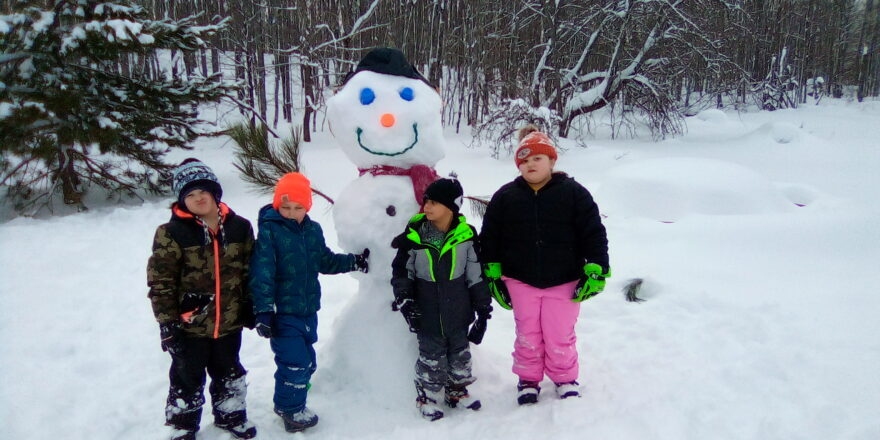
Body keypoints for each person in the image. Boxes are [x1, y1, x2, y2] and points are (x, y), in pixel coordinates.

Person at [479, 125, 610, 405]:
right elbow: (490, 236)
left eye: (537, 158)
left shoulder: (574, 193)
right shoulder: (505, 196)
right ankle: (528, 379)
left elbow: (593, 232)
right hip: (519, 278)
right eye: (523, 161)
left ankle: (564, 377)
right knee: (527, 332)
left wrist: (597, 267)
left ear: (552, 160)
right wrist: (491, 272)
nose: (530, 164)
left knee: (560, 332)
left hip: (564, 279)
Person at [248, 172, 370, 433]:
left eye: (298, 207)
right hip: (282, 313)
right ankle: (290, 410)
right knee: (295, 362)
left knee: (308, 362)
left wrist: (353, 261)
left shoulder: (312, 230)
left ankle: (295, 393)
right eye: (286, 207)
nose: (291, 213)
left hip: (308, 311)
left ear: (307, 207)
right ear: (277, 205)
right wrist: (263, 311)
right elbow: (263, 272)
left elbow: (323, 261)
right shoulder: (270, 231)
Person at [147, 158, 257, 440]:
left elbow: (250, 270)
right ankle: (183, 425)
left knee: (229, 371)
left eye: (203, 192)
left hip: (229, 321)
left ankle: (231, 415)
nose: (198, 198)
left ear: (215, 193)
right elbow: (161, 281)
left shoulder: (239, 228)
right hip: (190, 324)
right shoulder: (171, 233)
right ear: (182, 200)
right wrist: (167, 323)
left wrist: (250, 304)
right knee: (186, 375)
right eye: (191, 194)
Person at [390, 178, 492, 421]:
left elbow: (476, 274)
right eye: (427, 200)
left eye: (434, 202)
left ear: (451, 206)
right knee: (431, 356)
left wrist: (482, 308)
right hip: (427, 311)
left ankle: (457, 391)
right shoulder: (415, 237)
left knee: (460, 353)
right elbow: (402, 272)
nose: (426, 206)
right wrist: (405, 300)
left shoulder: (465, 237)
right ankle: (427, 396)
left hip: (458, 310)